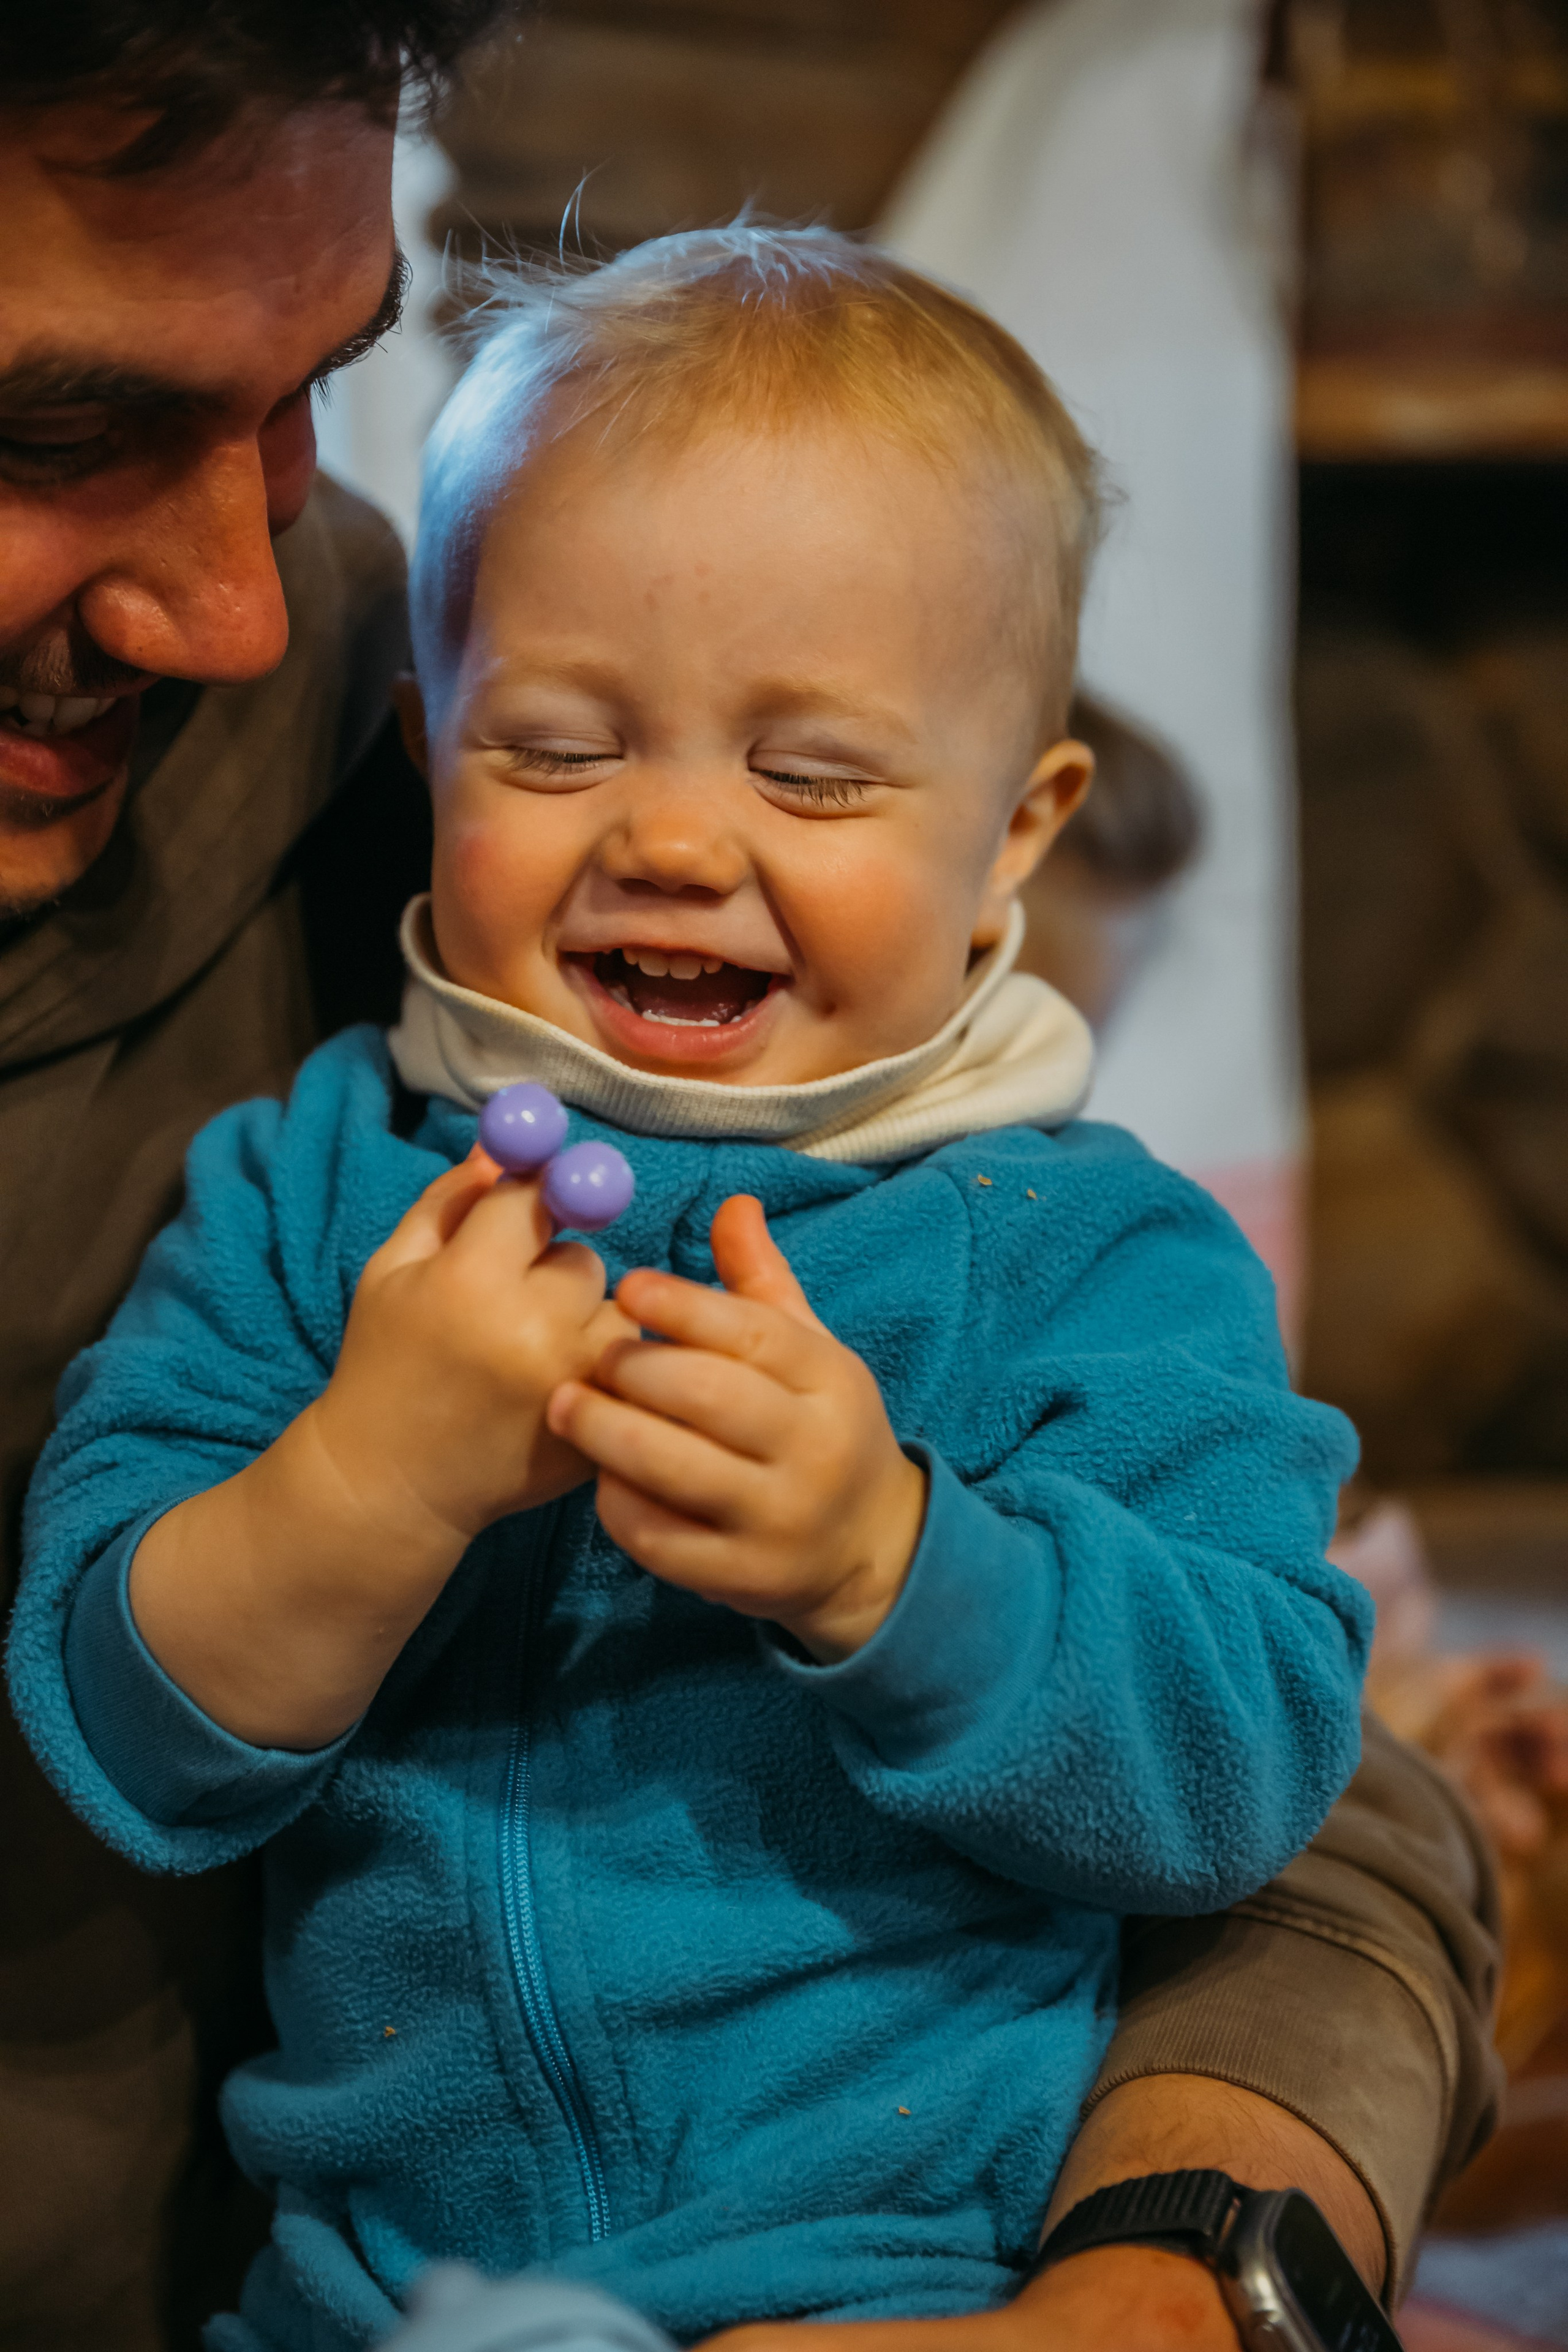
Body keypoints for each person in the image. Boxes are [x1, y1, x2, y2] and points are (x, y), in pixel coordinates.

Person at [0, 13, 1499, 2352]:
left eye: (809, 774)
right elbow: (119, 1726)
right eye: (565, 745)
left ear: (1016, 837)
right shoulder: (319, 1187)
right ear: (441, 743)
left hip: (920, 2267)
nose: (676, 838)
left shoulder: (1073, 1246)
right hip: (362, 2296)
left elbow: (1266, 1760)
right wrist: (357, 1492)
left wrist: (901, 1566)